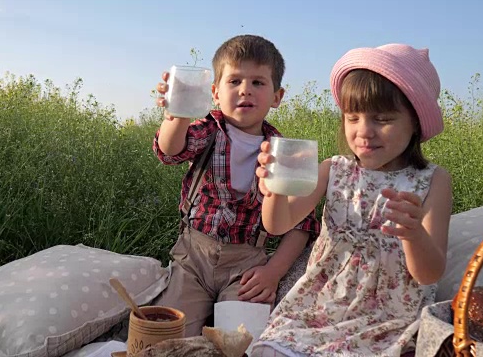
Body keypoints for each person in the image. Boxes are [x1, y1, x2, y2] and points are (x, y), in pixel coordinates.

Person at [250, 44, 453, 356]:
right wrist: (273, 188)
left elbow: (429, 273)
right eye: (352, 117)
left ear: (415, 123)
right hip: (319, 306)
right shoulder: (333, 170)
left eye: (382, 118)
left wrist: (413, 234)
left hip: (390, 316)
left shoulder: (432, 180)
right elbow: (277, 224)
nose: (363, 131)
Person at [151, 34, 321, 338]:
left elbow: (302, 223)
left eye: (258, 82)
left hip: (247, 264)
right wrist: (176, 115)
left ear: (277, 96)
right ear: (214, 92)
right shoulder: (209, 130)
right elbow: (171, 150)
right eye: (234, 81)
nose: (245, 90)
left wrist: (273, 272)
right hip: (193, 259)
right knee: (170, 338)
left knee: (241, 339)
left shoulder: (284, 151)